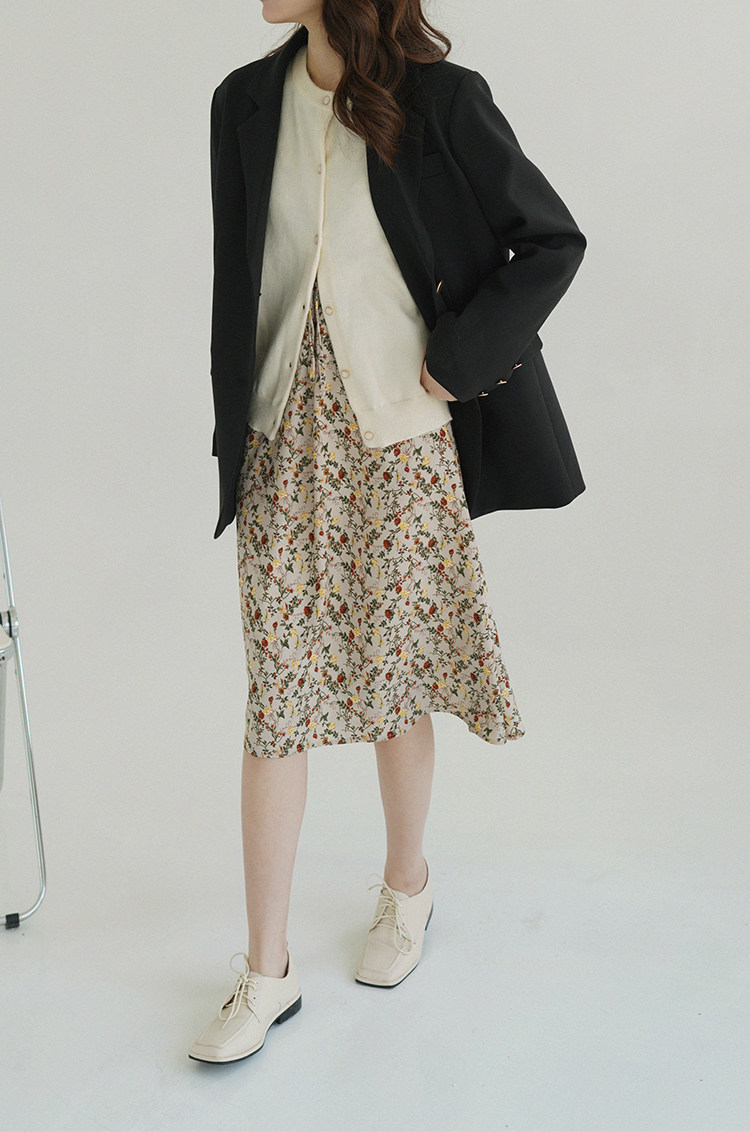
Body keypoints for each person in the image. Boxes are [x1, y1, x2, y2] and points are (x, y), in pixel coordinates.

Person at [190, 0, 586, 1064]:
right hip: (280, 436)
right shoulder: (242, 104)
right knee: (276, 696)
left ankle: (406, 886)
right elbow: (238, 278)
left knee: (394, 673)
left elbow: (550, 241)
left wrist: (459, 361)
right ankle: (266, 971)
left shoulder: (441, 102)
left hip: (400, 431)